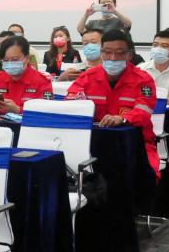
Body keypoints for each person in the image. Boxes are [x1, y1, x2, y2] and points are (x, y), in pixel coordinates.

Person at [67, 29, 160, 174]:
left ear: (129, 55)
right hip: (91, 143)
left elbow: (143, 112)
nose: (113, 58)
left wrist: (122, 118)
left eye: (120, 53)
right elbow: (71, 103)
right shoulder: (87, 77)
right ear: (101, 52)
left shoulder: (143, 80)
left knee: (141, 179)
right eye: (107, 52)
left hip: (134, 144)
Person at [0, 36, 53, 114]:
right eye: (5, 60)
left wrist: (18, 110)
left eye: (15, 59)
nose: (10, 63)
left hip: (28, 122)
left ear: (27, 58)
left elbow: (47, 111)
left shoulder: (42, 81)